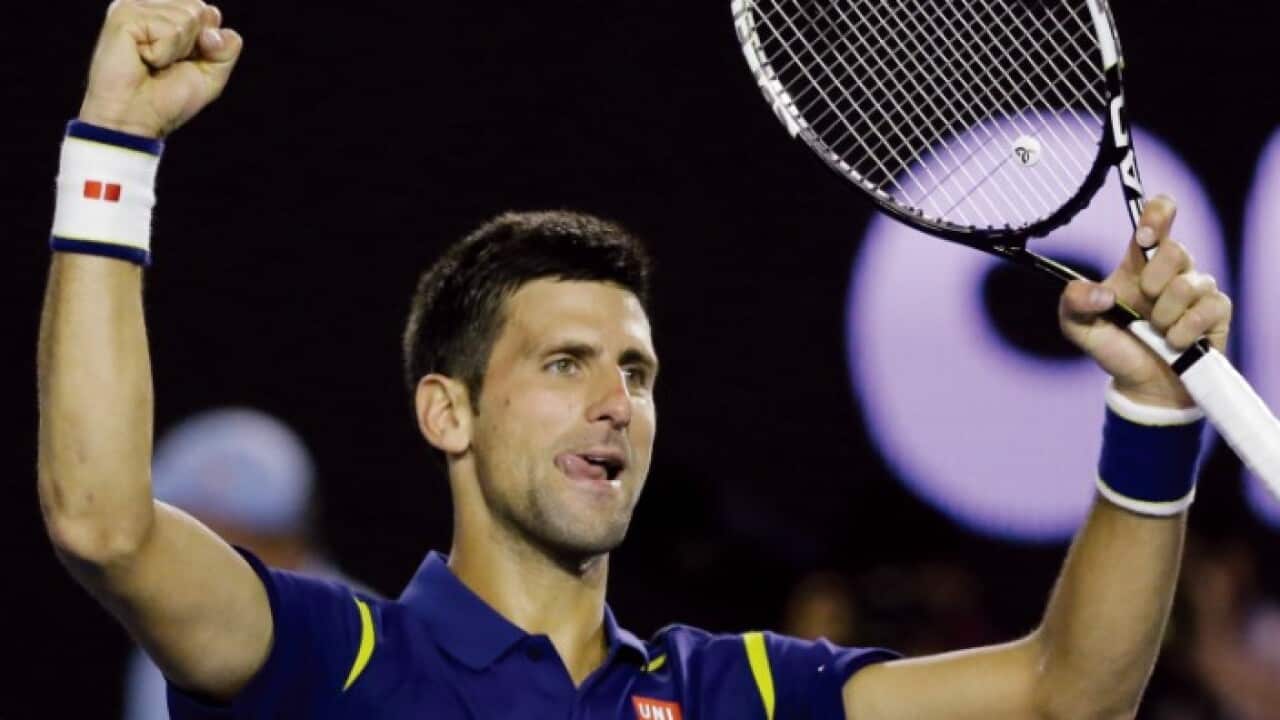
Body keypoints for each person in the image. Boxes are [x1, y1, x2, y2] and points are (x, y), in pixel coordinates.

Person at [37, 1, 1234, 718]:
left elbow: (1067, 697)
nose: (617, 404)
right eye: (564, 364)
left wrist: (1147, 410)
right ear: (445, 412)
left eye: (639, 373)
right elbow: (104, 526)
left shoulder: (736, 696)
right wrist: (114, 153)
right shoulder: (335, 661)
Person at [121, 408, 364, 720]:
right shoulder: (170, 639)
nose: (197, 569)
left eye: (229, 545)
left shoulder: (363, 645)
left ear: (288, 547)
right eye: (181, 541)